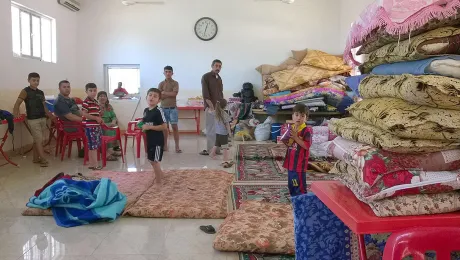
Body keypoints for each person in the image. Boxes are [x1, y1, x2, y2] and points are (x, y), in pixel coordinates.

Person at [13, 72, 55, 167]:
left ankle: (35, 158)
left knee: (38, 139)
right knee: (39, 139)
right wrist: (16, 113)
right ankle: (43, 159)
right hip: (32, 119)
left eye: (37, 80)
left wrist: (51, 116)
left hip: (42, 118)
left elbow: (44, 107)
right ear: (29, 80)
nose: (36, 82)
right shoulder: (25, 91)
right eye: (33, 80)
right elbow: (17, 103)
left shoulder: (41, 92)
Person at [282, 104, 312, 197]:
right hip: (291, 163)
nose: (299, 118)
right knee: (291, 184)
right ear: (292, 116)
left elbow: (307, 146)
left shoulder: (307, 131)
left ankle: (302, 200)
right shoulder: (291, 128)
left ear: (306, 118)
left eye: (302, 116)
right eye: (297, 115)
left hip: (299, 164)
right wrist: (286, 140)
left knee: (298, 185)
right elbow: (288, 143)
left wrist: (296, 137)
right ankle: (294, 199)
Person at [141, 88, 167, 184]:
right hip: (149, 140)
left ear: (159, 100)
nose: (152, 97)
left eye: (155, 96)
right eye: (150, 95)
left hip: (157, 141)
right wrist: (141, 125)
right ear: (146, 97)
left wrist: (150, 127)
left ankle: (159, 182)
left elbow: (164, 126)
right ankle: (161, 175)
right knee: (151, 160)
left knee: (155, 161)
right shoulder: (146, 110)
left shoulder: (159, 111)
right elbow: (144, 122)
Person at [200, 59, 224, 156]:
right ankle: (210, 150)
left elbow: (220, 94)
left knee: (218, 129)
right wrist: (211, 107)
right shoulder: (206, 77)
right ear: (212, 66)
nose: (218, 68)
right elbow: (206, 94)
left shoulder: (219, 78)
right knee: (210, 129)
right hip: (210, 107)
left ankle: (217, 149)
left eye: (219, 66)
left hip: (218, 107)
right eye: (216, 66)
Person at [158, 66, 181, 153]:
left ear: (172, 73)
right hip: (163, 108)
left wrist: (164, 93)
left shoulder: (175, 83)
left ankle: (177, 147)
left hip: (173, 108)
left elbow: (174, 94)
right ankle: (165, 146)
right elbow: (160, 96)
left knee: (175, 127)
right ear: (164, 73)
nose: (168, 73)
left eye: (169, 72)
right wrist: (168, 94)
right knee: (165, 128)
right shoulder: (161, 84)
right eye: (166, 71)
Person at [82, 83, 104, 170]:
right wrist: (95, 117)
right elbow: (84, 114)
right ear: (86, 92)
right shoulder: (86, 102)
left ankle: (91, 164)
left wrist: (100, 114)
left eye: (94, 90)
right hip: (90, 127)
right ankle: (95, 165)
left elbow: (98, 114)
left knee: (93, 146)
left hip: (96, 127)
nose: (93, 92)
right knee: (93, 147)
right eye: (90, 91)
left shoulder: (95, 102)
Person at [97, 91, 122, 161]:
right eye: (101, 96)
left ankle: (112, 149)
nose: (102, 97)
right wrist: (107, 124)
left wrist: (113, 122)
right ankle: (108, 151)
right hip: (101, 124)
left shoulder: (109, 106)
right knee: (108, 130)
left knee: (115, 128)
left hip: (110, 124)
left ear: (106, 98)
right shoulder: (96, 107)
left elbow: (114, 116)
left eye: (104, 96)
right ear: (98, 98)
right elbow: (97, 118)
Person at [209, 99, 233, 168]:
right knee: (225, 147)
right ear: (225, 106)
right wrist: (230, 133)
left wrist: (211, 106)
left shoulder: (216, 112)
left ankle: (212, 153)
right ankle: (225, 159)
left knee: (217, 143)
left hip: (217, 132)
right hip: (223, 133)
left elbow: (210, 112)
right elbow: (227, 125)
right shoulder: (225, 114)